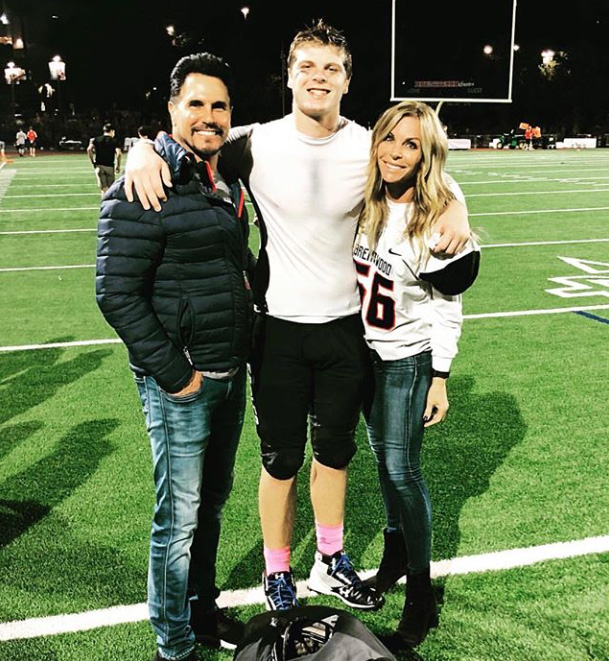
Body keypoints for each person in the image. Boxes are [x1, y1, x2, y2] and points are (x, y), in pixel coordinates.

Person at [124, 19, 471, 613]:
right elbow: (192, 139)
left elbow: (427, 169)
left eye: (331, 68)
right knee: (280, 461)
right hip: (278, 330)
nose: (318, 77)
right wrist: (142, 149)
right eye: (306, 66)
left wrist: (457, 209)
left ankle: (330, 562)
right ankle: (277, 569)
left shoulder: (367, 146)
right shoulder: (254, 142)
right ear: (288, 76)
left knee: (334, 455)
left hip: (345, 330)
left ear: (347, 81)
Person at [96, 52, 255, 661]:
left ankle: (201, 612)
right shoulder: (144, 182)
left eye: (220, 106)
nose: (208, 116)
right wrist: (174, 373)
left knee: (209, 507)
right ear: (172, 108)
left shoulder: (224, 180)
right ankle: (174, 642)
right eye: (196, 104)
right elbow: (115, 293)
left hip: (228, 373)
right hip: (183, 383)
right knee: (179, 519)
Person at [355, 100, 480, 648]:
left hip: (407, 357)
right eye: (389, 138)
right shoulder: (364, 198)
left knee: (402, 470)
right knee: (383, 461)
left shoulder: (435, 220)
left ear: (428, 154)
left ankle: (421, 593)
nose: (396, 152)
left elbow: (448, 306)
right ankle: (394, 556)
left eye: (412, 144)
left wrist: (441, 375)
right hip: (364, 354)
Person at [87, 123, 122, 196]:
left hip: (99, 165)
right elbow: (119, 154)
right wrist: (118, 165)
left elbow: (89, 149)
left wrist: (92, 161)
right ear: (112, 131)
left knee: (103, 188)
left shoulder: (96, 139)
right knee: (111, 188)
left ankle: (104, 201)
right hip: (109, 166)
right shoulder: (114, 141)